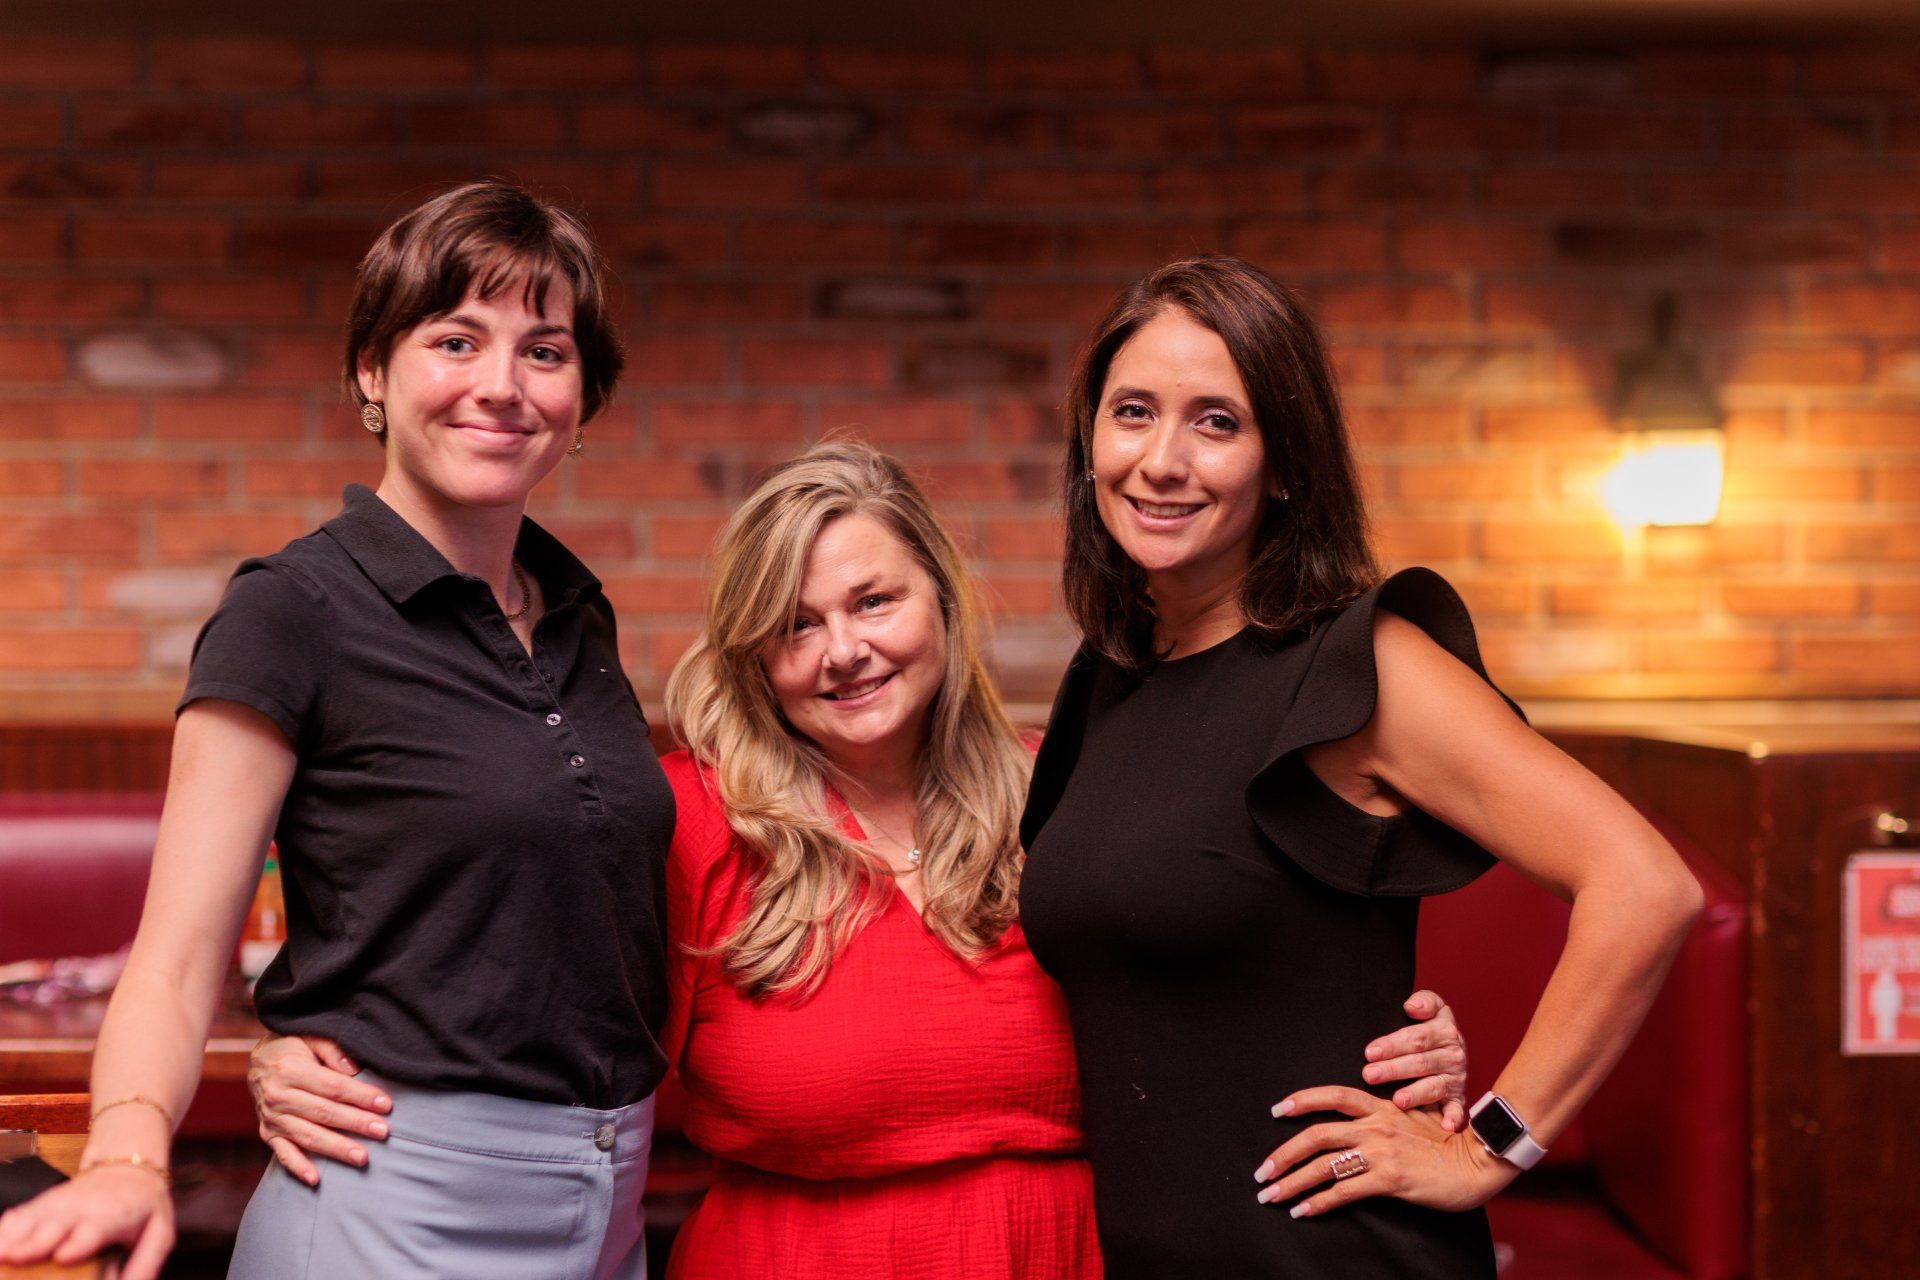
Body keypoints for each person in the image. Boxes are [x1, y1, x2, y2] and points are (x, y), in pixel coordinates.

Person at [243, 439, 1478, 1279]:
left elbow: (1228, 984)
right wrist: (288, 1044)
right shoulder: (689, 822)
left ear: (941, 598)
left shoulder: (1079, 793)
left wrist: (1404, 1055)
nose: (843, 649)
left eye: (874, 601)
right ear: (753, 658)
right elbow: (511, 1002)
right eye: (795, 624)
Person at [0, 180, 672, 1280]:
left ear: (582, 393)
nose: (502, 385)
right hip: (393, 1209)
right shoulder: (290, 610)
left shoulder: (575, 614)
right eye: (456, 340)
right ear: (372, 371)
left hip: (609, 1210)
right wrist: (126, 1155)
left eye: (545, 351)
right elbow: (174, 960)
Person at [1017, 255, 1707, 1278]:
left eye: (1218, 421)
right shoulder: (1109, 673)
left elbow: (1645, 885)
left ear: (1285, 464)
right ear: (1090, 440)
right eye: (1133, 413)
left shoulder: (1360, 666)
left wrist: (1488, 1144)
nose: (1162, 459)